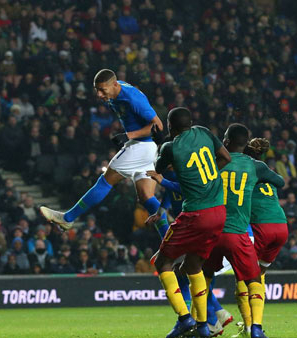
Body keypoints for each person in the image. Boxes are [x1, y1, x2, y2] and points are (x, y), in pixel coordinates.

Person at [40, 69, 165, 231]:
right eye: (97, 90)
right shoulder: (115, 91)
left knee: (106, 180)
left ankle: (67, 218)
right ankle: (170, 238)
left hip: (140, 146)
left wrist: (129, 136)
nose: (99, 94)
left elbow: (158, 126)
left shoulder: (132, 98)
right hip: (148, 149)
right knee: (147, 197)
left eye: (102, 90)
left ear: (114, 84)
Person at [152, 107, 231, 338]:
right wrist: (207, 176)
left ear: (170, 126)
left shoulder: (170, 146)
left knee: (162, 262)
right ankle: (203, 328)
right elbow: (225, 157)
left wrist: (161, 143)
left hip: (195, 214)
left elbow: (158, 168)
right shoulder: (204, 132)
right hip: (218, 212)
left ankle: (185, 319)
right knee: (193, 266)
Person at [203, 124, 285, 338]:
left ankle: (205, 325)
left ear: (226, 141)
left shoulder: (215, 163)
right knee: (254, 279)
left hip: (214, 230)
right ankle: (255, 328)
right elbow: (280, 181)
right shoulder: (254, 167)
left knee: (202, 276)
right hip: (244, 232)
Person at [146, 169, 233, 336]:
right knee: (187, 270)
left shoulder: (188, 174)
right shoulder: (173, 174)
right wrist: (161, 211)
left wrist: (162, 181)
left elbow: (183, 188)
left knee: (188, 269)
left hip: (195, 223)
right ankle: (214, 316)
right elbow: (170, 194)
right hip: (196, 223)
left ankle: (207, 319)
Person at [226, 137, 288, 338]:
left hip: (260, 227)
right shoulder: (264, 171)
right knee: (259, 275)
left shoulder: (243, 170)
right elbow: (280, 182)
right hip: (281, 225)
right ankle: (256, 324)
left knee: (244, 279)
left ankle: (250, 327)